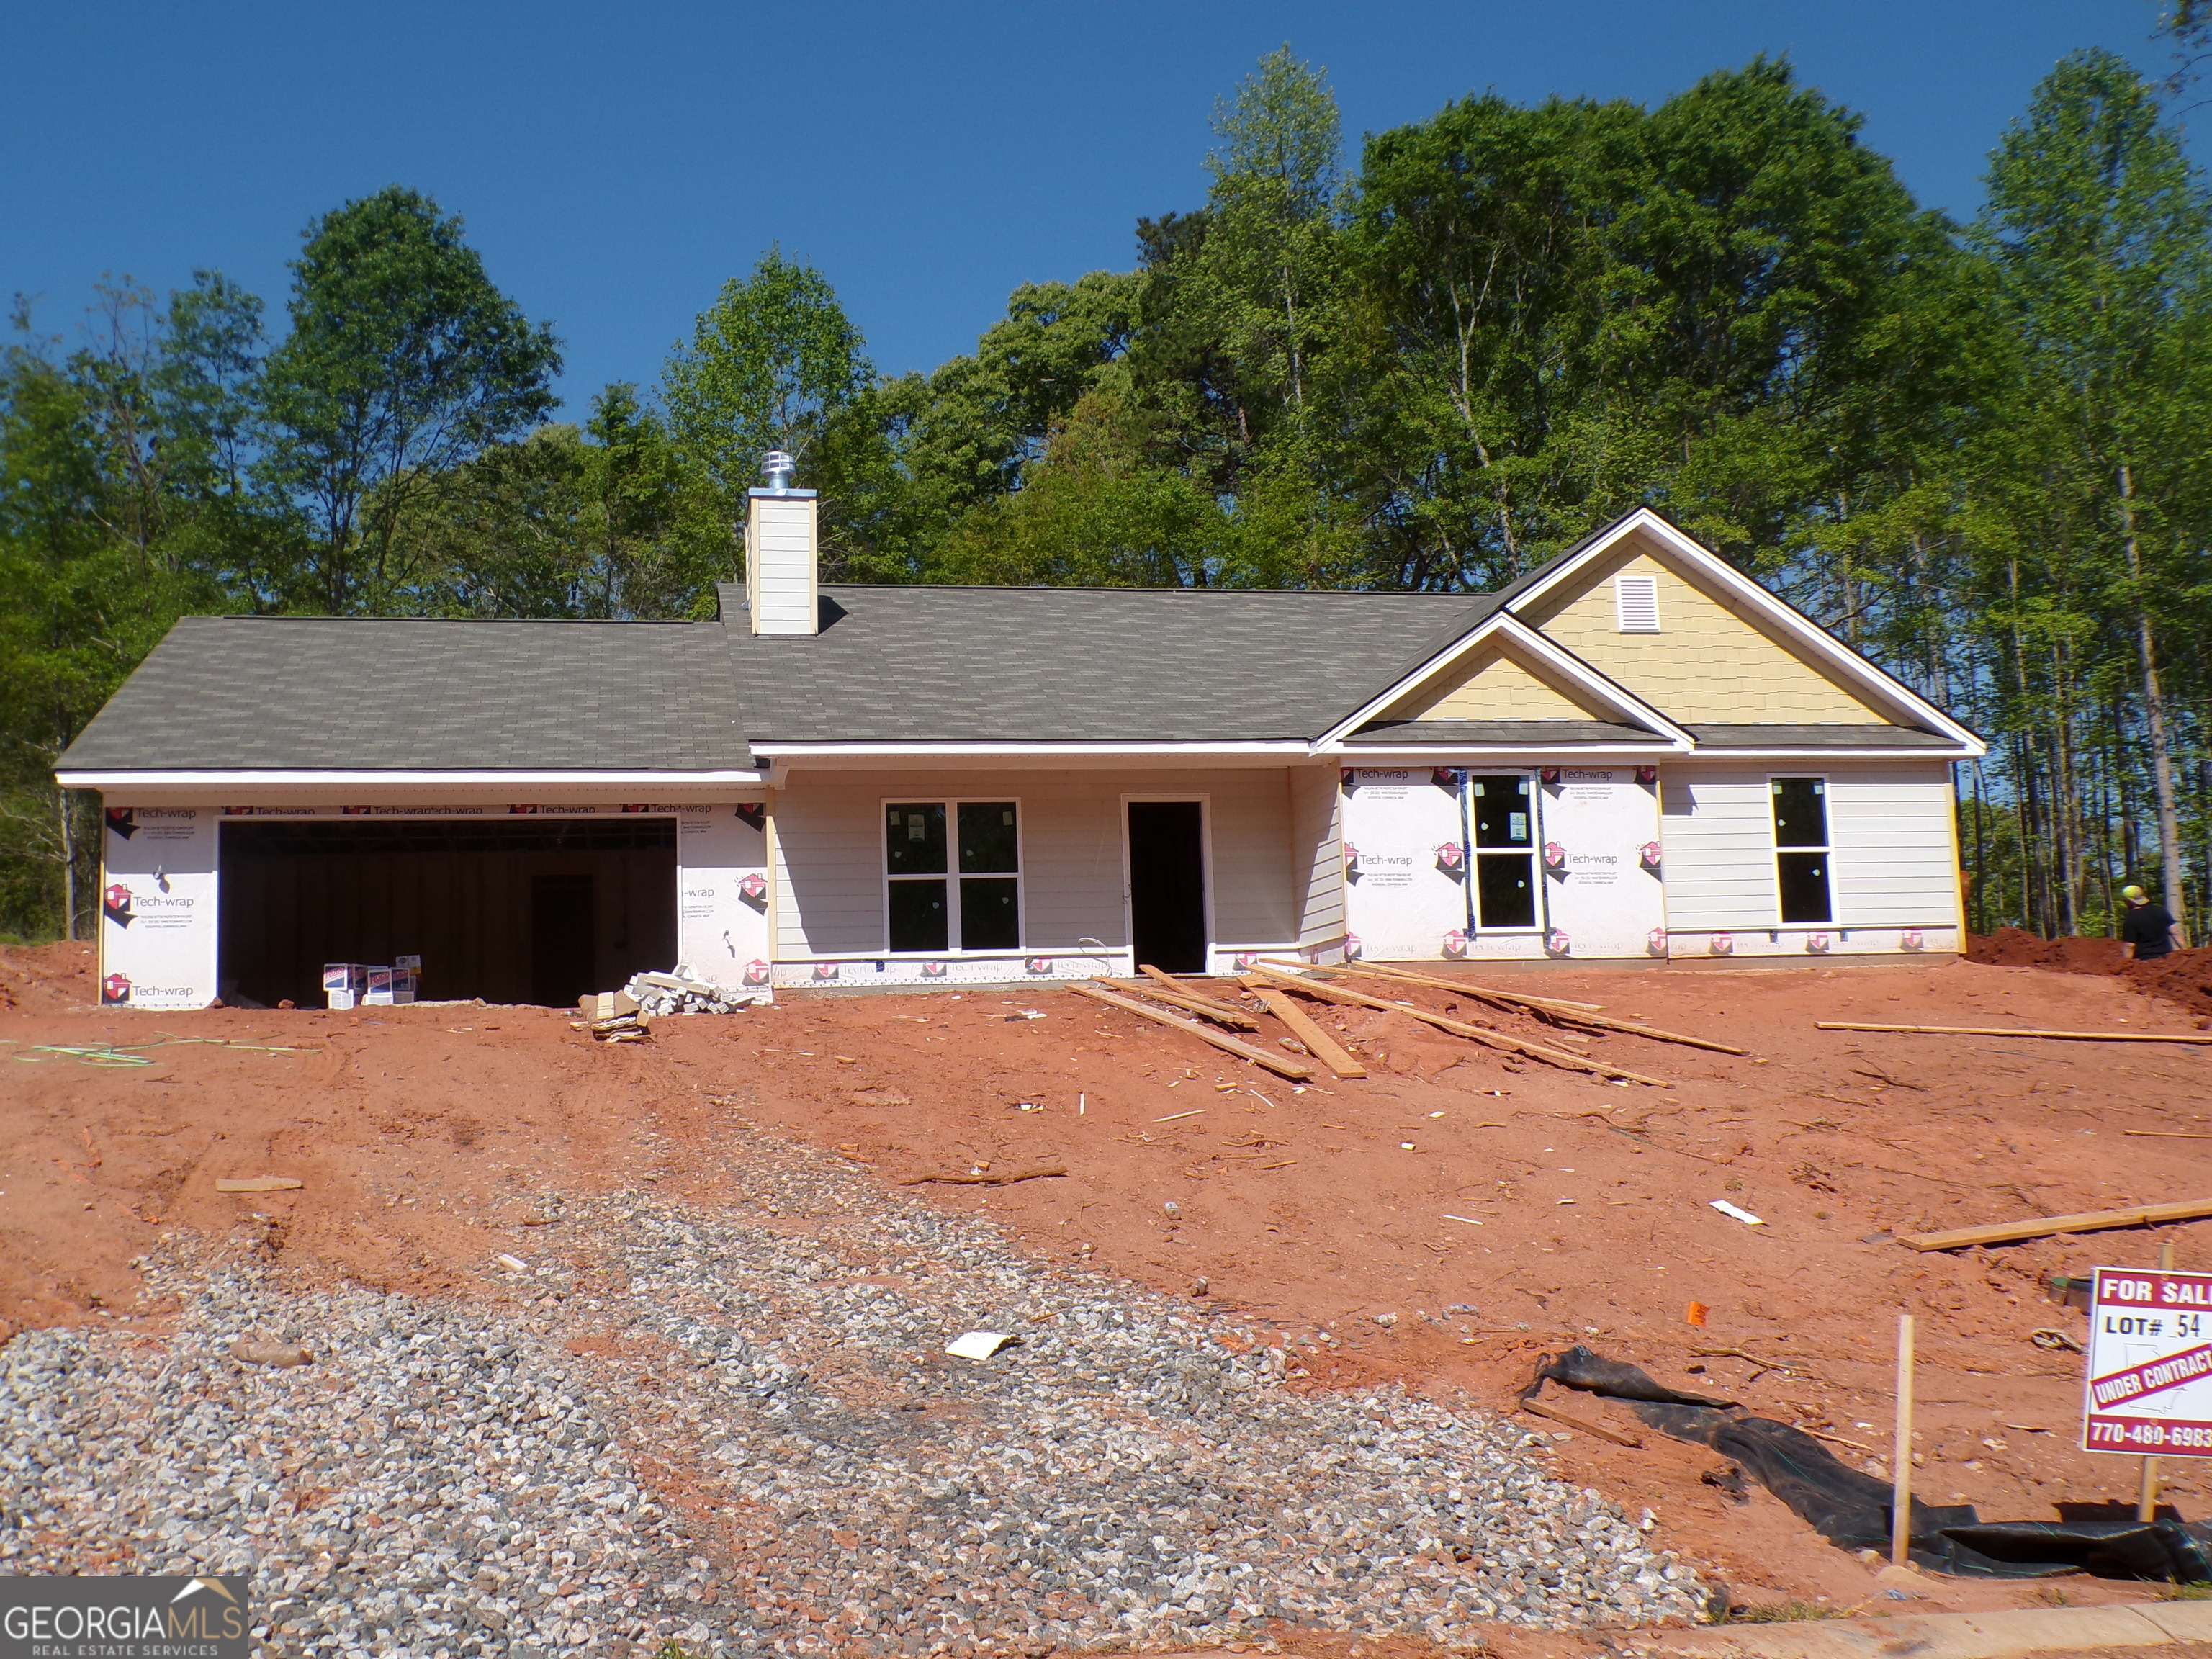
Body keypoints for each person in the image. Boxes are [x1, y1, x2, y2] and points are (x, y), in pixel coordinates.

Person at [2120, 884, 2182, 960]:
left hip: (2144, 960)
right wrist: (2186, 951)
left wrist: (2126, 962)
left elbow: (2130, 946)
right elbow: (2175, 932)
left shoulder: (2131, 917)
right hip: (2166, 958)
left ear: (2129, 901)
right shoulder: (2160, 910)